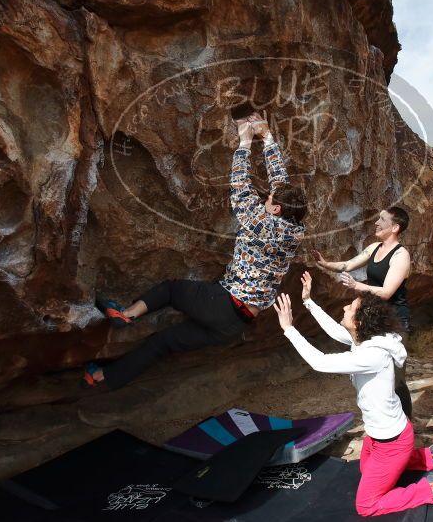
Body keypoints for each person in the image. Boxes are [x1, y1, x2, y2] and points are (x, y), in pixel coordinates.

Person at [82, 112, 307, 389]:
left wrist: (245, 142)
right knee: (163, 342)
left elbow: (240, 185)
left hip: (223, 304)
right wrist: (267, 137)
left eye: (269, 199)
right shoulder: (295, 230)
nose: (266, 197)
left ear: (276, 209)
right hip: (236, 325)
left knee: (171, 290)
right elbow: (281, 186)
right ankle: (102, 378)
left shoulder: (258, 220)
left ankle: (126, 315)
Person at [273, 271, 433, 516]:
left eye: (351, 307)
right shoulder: (367, 340)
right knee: (366, 472)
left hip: (392, 442)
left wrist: (289, 329)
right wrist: (308, 301)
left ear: (359, 322)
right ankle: (425, 456)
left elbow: (321, 362)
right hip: (380, 436)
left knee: (366, 505)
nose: (345, 307)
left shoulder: (373, 355)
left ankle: (429, 489)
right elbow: (335, 332)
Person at [313, 207, 414, 417]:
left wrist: (357, 286)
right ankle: (381, 418)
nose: (376, 222)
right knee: (375, 377)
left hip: (395, 323)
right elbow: (348, 265)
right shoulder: (375, 248)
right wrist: (325, 264)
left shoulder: (401, 255)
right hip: (375, 320)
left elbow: (386, 292)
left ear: (394, 227)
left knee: (396, 380)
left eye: (382, 219)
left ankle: (406, 425)